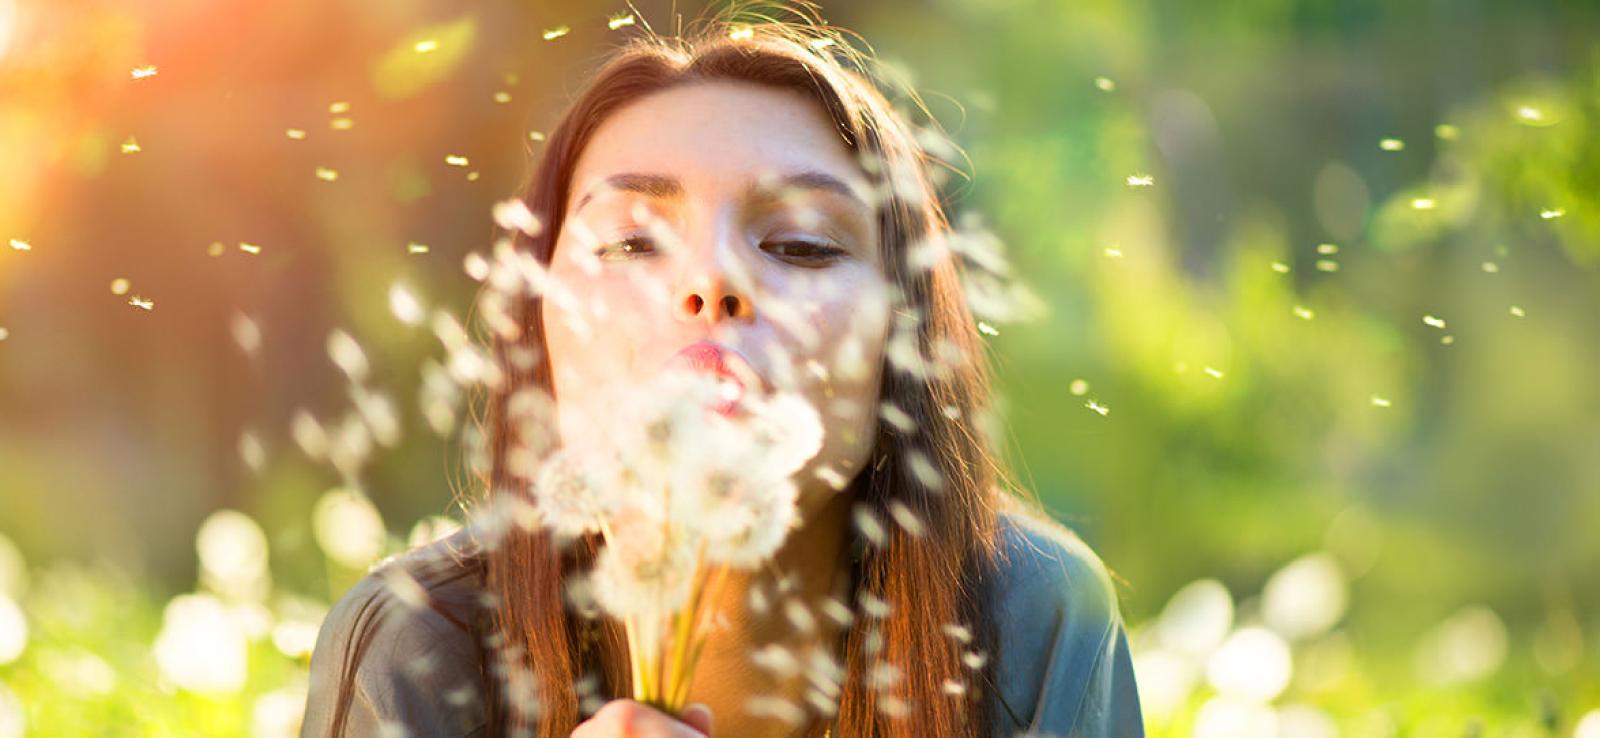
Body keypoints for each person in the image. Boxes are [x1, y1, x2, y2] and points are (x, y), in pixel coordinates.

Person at [301, 6, 1144, 737]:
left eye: (803, 245)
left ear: (903, 337)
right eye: (632, 241)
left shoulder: (1027, 623)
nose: (712, 280)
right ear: (537, 321)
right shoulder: (417, 648)